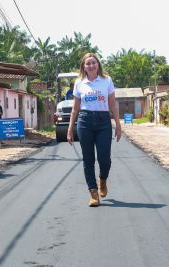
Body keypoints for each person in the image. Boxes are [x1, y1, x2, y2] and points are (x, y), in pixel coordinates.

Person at [67, 53, 121, 207]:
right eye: (87, 63)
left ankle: (102, 179)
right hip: (84, 122)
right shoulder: (79, 83)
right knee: (88, 159)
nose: (91, 65)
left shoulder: (106, 81)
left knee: (104, 158)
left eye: (93, 62)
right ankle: (93, 193)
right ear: (83, 67)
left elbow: (113, 104)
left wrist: (118, 125)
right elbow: (75, 109)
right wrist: (70, 129)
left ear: (98, 64)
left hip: (103, 122)